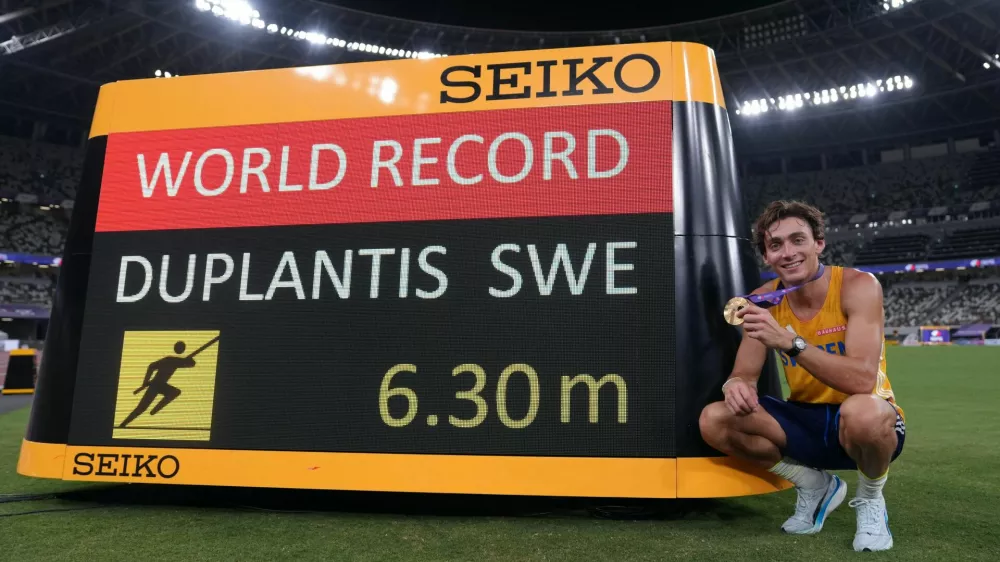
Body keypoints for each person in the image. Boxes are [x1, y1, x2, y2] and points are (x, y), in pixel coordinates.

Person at [699, 200, 905, 552]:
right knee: (714, 419)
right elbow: (744, 373)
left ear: (818, 243)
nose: (788, 252)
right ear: (767, 256)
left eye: (798, 240)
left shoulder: (858, 285)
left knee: (863, 411)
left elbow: (862, 381)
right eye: (775, 245)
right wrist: (736, 385)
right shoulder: (763, 299)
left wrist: (789, 342)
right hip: (805, 418)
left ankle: (871, 498)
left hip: (865, 421)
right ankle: (814, 484)